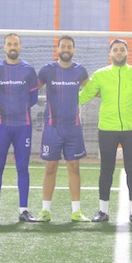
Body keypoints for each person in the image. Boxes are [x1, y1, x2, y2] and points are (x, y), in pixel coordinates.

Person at [78, 39, 132, 223]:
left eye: (121, 49)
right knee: (106, 169)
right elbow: (85, 94)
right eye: (115, 49)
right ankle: (102, 211)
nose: (118, 52)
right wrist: (65, 102)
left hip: (131, 129)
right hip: (107, 128)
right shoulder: (100, 74)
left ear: (127, 52)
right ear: (110, 53)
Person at [0, 33, 40, 223]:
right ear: (4, 47)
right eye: (9, 44)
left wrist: (18, 111)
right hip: (0, 126)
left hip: (23, 127)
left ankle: (24, 210)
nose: (12, 47)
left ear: (20, 47)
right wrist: (4, 112)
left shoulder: (28, 70)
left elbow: (33, 98)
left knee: (22, 167)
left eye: (15, 44)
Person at [35, 35, 91, 223]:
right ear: (57, 49)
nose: (66, 49)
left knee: (74, 167)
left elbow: (93, 90)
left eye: (69, 46)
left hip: (73, 128)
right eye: (63, 46)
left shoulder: (80, 71)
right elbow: (32, 89)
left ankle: (76, 211)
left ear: (74, 50)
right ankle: (45, 210)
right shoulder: (47, 70)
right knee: (50, 167)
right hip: (52, 127)